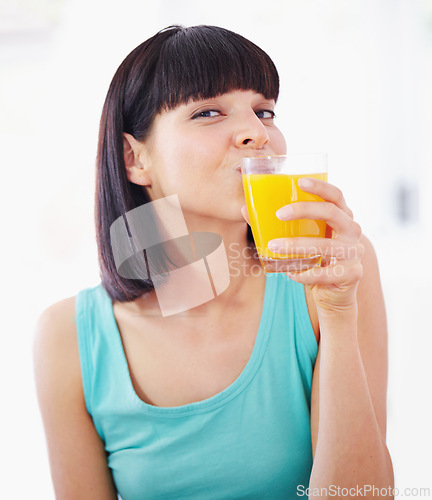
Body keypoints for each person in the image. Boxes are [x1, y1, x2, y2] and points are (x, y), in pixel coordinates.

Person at [34, 25, 394, 499]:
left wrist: (339, 313)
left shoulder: (332, 278)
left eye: (265, 111)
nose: (256, 132)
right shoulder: (68, 337)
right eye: (208, 111)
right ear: (134, 158)